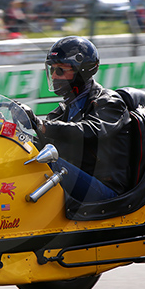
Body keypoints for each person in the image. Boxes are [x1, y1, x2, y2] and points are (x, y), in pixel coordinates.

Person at [24, 36, 132, 203]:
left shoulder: (110, 102)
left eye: (60, 70)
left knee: (47, 163)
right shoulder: (64, 109)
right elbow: (44, 140)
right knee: (26, 158)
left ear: (82, 71)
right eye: (52, 69)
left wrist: (43, 126)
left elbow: (91, 131)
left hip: (106, 190)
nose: (54, 75)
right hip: (78, 179)